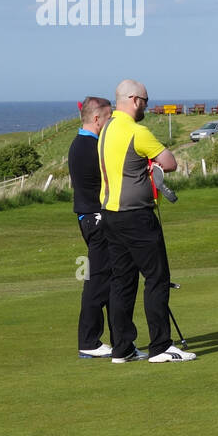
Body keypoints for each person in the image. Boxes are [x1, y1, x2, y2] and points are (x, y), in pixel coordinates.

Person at [98, 79, 197, 363]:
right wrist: (150, 163)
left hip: (111, 215)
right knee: (157, 278)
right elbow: (170, 162)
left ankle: (123, 348)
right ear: (133, 99)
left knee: (122, 281)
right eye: (144, 100)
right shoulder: (136, 131)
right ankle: (161, 347)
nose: (146, 105)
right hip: (136, 216)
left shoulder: (106, 130)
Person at [70, 96, 136, 359]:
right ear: (97, 119)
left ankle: (117, 340)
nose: (111, 123)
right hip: (96, 220)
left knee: (106, 279)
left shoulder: (84, 143)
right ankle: (89, 342)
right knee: (98, 281)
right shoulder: (89, 146)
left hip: (91, 219)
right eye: (109, 118)